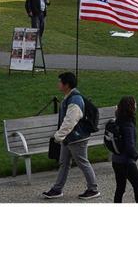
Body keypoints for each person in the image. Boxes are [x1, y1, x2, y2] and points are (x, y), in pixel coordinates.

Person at [42, 72, 100, 200]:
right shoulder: (70, 97)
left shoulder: (74, 100)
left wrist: (58, 136)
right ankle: (57, 189)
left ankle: (93, 189)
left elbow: (70, 121)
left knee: (83, 163)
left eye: (60, 82)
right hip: (70, 138)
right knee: (64, 163)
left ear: (66, 85)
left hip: (77, 138)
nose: (58, 84)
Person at [110, 95, 138, 203]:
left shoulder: (117, 120)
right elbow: (130, 146)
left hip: (116, 160)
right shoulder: (128, 124)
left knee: (120, 188)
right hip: (127, 161)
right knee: (137, 187)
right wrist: (135, 155)